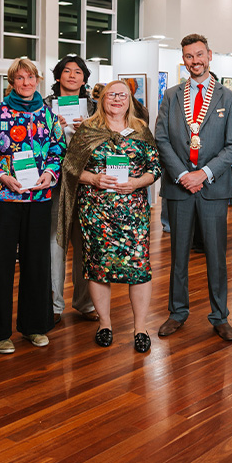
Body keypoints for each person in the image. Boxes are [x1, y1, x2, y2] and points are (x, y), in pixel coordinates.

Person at [59, 80, 161, 352]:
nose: (117, 99)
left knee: (138, 269)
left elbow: (155, 168)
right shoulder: (88, 130)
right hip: (96, 212)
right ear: (101, 99)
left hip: (133, 212)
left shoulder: (141, 129)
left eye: (122, 95)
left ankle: (140, 327)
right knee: (98, 267)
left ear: (130, 100)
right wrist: (93, 178)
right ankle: (104, 323)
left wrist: (137, 183)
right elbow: (69, 168)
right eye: (111, 95)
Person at [0, 58, 64, 354]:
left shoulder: (48, 115)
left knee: (37, 264)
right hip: (4, 199)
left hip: (38, 198)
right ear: (12, 82)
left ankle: (35, 326)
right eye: (19, 78)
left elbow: (57, 150)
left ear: (38, 80)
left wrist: (50, 173)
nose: (25, 83)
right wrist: (0, 176)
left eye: (30, 77)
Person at [155, 33, 232, 342]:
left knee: (217, 256)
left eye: (200, 55)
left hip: (213, 187)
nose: (195, 61)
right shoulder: (172, 95)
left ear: (210, 55)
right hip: (179, 187)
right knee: (178, 256)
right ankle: (177, 312)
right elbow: (161, 139)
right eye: (189, 56)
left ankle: (219, 316)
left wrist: (202, 174)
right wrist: (182, 175)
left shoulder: (228, 98)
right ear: (183, 60)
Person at [44, 55, 98, 325]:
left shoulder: (94, 108)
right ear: (57, 77)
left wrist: (87, 131)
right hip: (54, 184)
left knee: (85, 244)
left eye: (78, 72)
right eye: (67, 71)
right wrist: (53, 129)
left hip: (87, 183)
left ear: (85, 79)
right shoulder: (43, 107)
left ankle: (85, 302)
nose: (73, 76)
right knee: (55, 244)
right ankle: (54, 304)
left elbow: (107, 140)